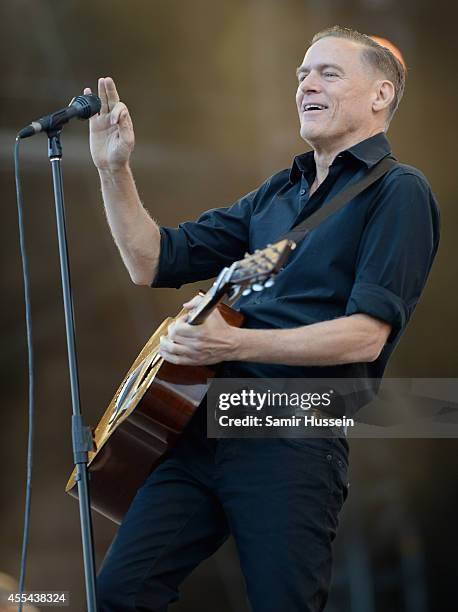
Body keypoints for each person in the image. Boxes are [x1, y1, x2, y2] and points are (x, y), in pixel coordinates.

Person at [86, 26, 440, 612]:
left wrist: (230, 342)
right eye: (302, 73)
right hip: (200, 427)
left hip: (289, 432)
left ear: (380, 95)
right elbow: (150, 259)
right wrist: (112, 168)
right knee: (120, 594)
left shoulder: (398, 191)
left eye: (328, 72)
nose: (306, 84)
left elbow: (365, 336)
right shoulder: (279, 192)